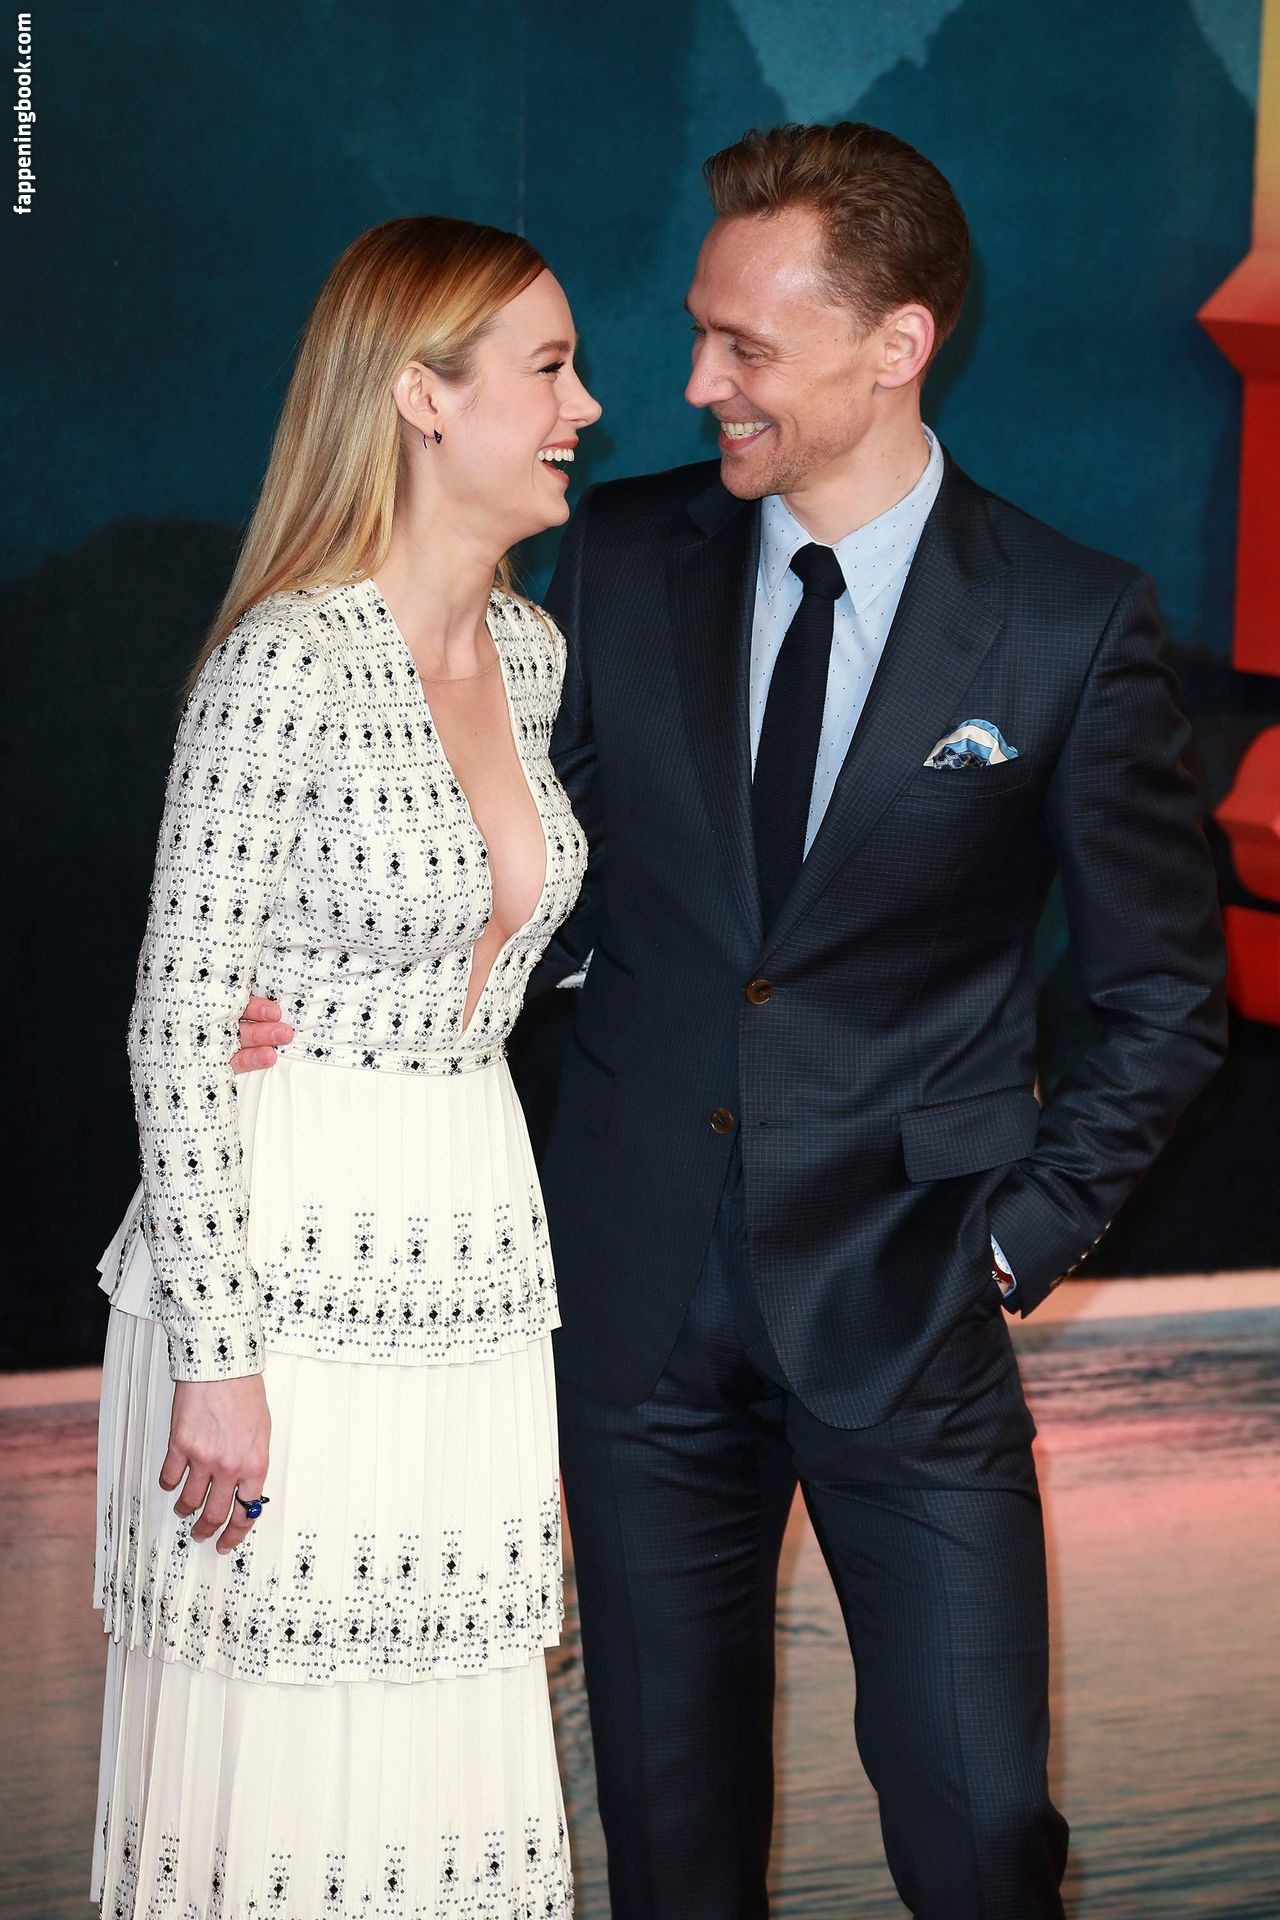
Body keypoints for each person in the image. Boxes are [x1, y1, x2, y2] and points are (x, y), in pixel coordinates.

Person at [234, 123, 1228, 1919]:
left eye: (744, 346)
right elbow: (526, 876)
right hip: (635, 1316)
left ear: (897, 344)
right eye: (700, 332)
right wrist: (313, 1003)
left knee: (983, 1833)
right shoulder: (617, 560)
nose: (694, 383)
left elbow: (1163, 995)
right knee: (673, 1853)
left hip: (913, 1307)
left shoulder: (1070, 623)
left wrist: (1016, 1243)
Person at [92, 213, 600, 1918]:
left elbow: (498, 946)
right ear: (418, 396)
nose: (585, 408)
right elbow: (180, 1021)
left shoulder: (530, 655)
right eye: (548, 369)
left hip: (467, 1248)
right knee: (282, 1766)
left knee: (442, 1754)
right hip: (284, 1267)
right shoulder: (287, 659)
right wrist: (219, 1360)